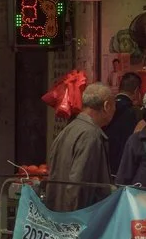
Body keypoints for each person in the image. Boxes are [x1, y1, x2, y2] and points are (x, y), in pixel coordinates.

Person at [44, 82, 116, 211]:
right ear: (106, 106)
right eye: (114, 106)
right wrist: (75, 220)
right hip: (77, 219)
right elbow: (79, 185)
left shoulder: (68, 130)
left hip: (59, 214)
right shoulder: (90, 135)